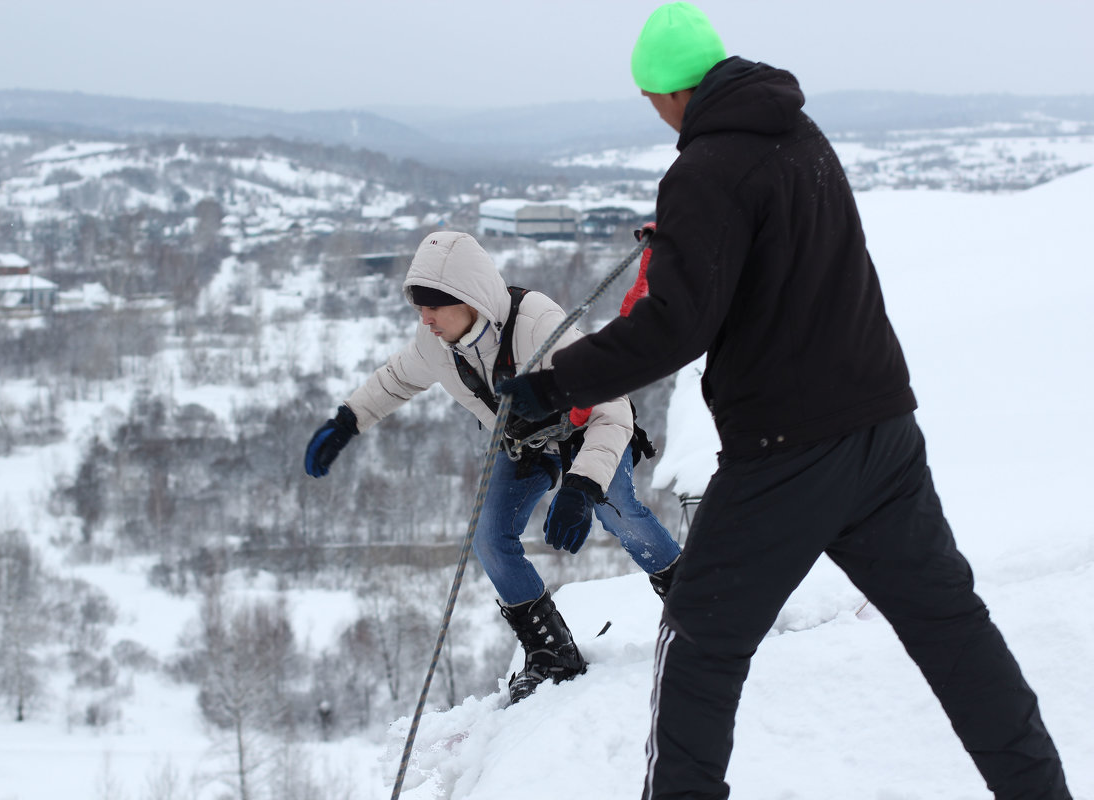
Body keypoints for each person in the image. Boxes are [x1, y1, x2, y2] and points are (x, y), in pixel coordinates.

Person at [496, 4, 1072, 798]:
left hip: (786, 452)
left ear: (665, 94)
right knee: (954, 633)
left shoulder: (702, 171)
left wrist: (550, 389)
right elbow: (779, 265)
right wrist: (687, 247)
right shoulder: (801, 137)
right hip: (884, 431)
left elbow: (673, 329)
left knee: (698, 641)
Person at [303, 230, 682, 704]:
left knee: (616, 509)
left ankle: (690, 600)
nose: (425, 318)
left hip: (589, 426)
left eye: (434, 306)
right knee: (490, 539)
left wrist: (581, 487)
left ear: (469, 298)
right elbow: (396, 380)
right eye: (419, 307)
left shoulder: (538, 327)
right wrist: (346, 422)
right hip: (525, 442)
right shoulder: (434, 344)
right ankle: (552, 653)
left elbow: (611, 408)